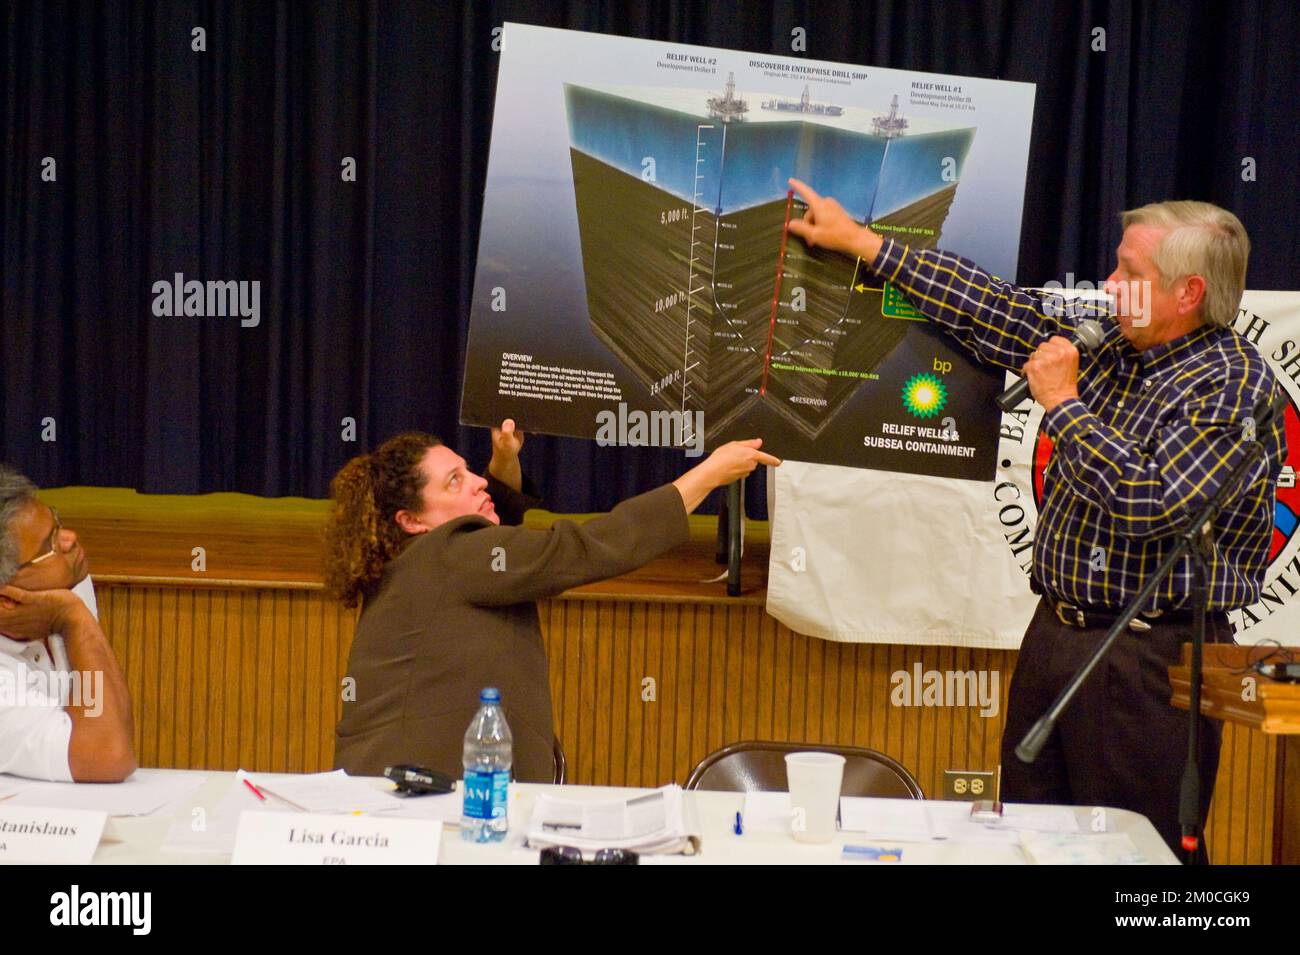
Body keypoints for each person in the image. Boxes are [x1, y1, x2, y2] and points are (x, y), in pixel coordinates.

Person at [786, 178, 1285, 861]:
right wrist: (863, 243)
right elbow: (998, 309)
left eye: (1128, 273)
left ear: (1188, 293)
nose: (1109, 284)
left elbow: (1158, 503)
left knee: (1133, 854)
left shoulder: (1229, 384)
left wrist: (1064, 406)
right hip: (1058, 635)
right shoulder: (1111, 341)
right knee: (1029, 841)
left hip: (1148, 655)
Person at [326, 420, 779, 782]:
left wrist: (505, 460)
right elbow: (583, 548)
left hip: (404, 787)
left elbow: (501, 552)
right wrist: (707, 475)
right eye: (454, 482)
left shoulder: (429, 559)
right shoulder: (452, 554)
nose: (478, 482)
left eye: (469, 471)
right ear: (411, 520)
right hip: (410, 802)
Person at [0, 465, 136, 782]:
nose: (69, 539)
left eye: (57, 521)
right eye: (50, 545)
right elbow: (109, 755)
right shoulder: (65, 606)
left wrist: (72, 613)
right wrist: (75, 619)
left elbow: (111, 720)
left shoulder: (68, 588)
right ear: (8, 599)